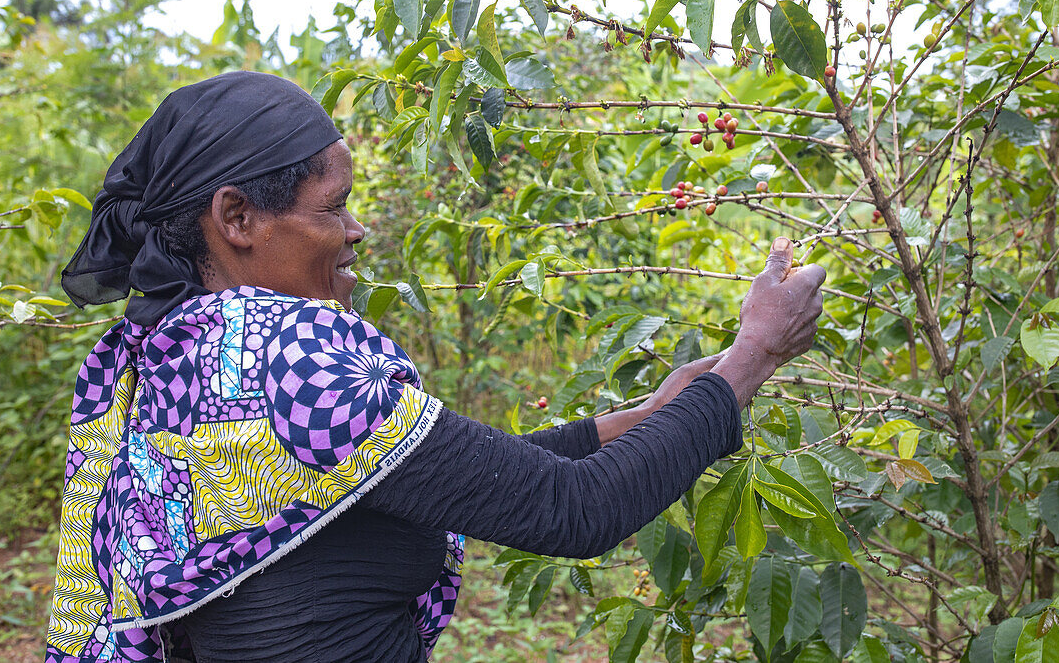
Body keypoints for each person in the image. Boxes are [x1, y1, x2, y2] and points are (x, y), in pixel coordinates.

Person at [46, 71, 825, 663]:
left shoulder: (174, 353)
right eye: (332, 206)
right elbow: (577, 509)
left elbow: (432, 475)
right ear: (237, 219)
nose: (355, 230)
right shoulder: (289, 357)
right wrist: (753, 355)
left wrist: (643, 417)